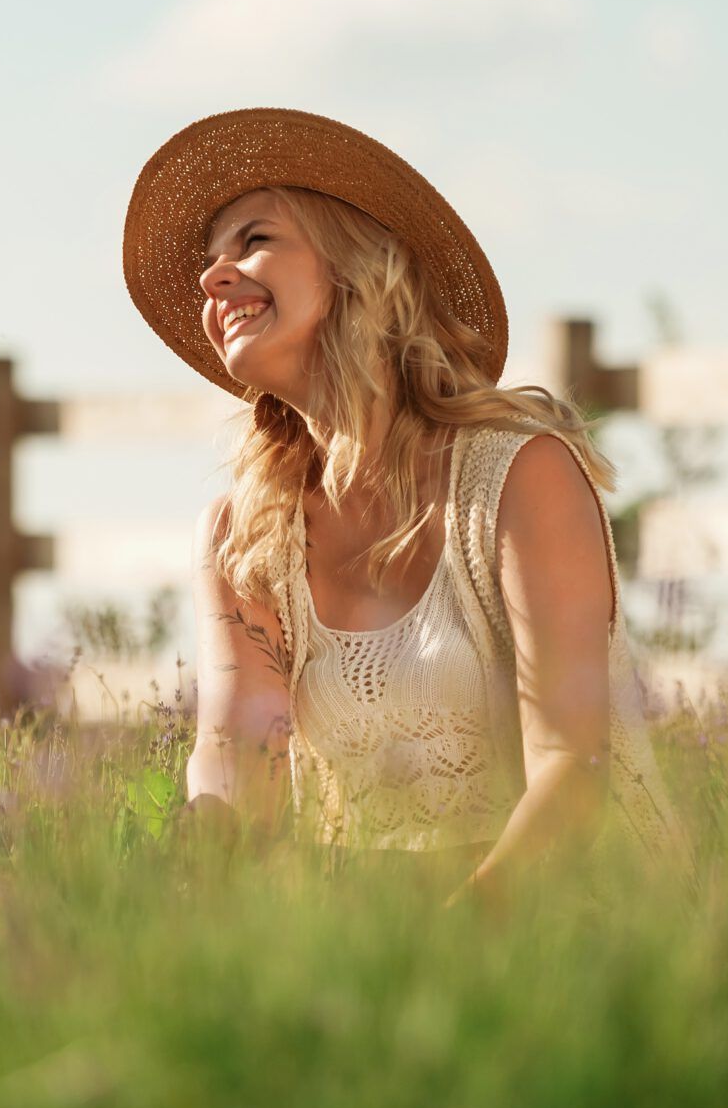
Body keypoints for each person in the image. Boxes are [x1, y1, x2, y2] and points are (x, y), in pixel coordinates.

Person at [122, 108, 680, 897]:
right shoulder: (243, 534)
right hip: (373, 928)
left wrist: (459, 934)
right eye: (209, 263)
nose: (213, 279)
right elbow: (234, 749)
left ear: (355, 264)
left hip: (571, 913)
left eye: (254, 240)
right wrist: (201, 876)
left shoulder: (521, 474)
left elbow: (572, 766)